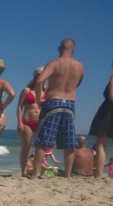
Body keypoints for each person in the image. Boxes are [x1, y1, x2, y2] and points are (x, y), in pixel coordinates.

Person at [30, 38, 85, 179]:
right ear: (73, 50)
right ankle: (67, 175)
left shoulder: (54, 63)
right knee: (69, 141)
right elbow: (78, 83)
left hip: (53, 100)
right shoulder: (80, 66)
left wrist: (38, 99)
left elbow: (40, 80)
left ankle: (35, 175)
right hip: (70, 103)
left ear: (59, 48)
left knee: (44, 140)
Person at [16, 66, 45, 176]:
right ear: (35, 76)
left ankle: (36, 171)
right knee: (26, 147)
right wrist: (20, 122)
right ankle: (23, 171)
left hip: (40, 122)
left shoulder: (46, 91)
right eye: (38, 75)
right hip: (27, 121)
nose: (40, 77)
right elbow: (19, 106)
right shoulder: (27, 90)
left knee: (40, 147)